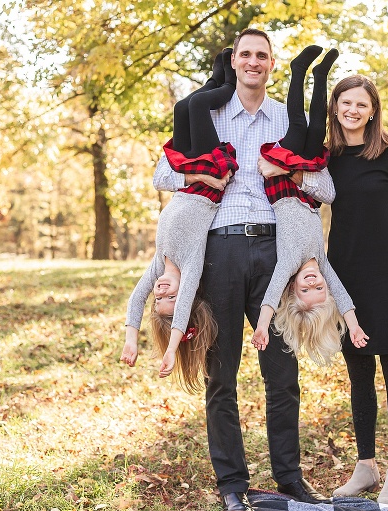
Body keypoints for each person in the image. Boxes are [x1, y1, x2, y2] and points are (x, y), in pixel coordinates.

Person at [153, 29, 336, 511]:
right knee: (222, 373)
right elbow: (162, 174)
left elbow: (325, 183)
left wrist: (291, 174)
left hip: (277, 253)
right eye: (246, 55)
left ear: (272, 65)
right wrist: (202, 175)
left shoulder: (286, 117)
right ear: (234, 62)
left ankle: (289, 479)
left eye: (262, 56)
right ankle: (233, 484)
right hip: (218, 251)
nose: (254, 62)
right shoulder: (206, 114)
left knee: (282, 372)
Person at [325, 75, 388, 505]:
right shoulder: (325, 157)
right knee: (358, 373)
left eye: (361, 104)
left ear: (373, 110)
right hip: (344, 275)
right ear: (335, 107)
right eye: (345, 102)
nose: (352, 110)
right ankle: (365, 466)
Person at [120, 49, 237, 393]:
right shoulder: (190, 267)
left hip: (191, 177)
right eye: (169, 300)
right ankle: (229, 82)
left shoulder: (158, 266)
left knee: (181, 108)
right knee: (198, 107)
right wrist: (172, 348)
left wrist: (131, 340)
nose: (162, 294)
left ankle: (217, 77)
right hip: (211, 177)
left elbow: (134, 300)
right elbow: (184, 307)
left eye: (159, 301)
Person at [251, 45, 369, 366]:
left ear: (295, 290)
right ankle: (321, 75)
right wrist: (354, 327)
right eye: (320, 291)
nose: (314, 284)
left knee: (299, 127)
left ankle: (298, 70)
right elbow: (343, 297)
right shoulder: (323, 265)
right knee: (318, 130)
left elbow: (270, 298)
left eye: (306, 291)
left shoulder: (287, 265)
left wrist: (263, 327)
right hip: (307, 191)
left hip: (283, 187)